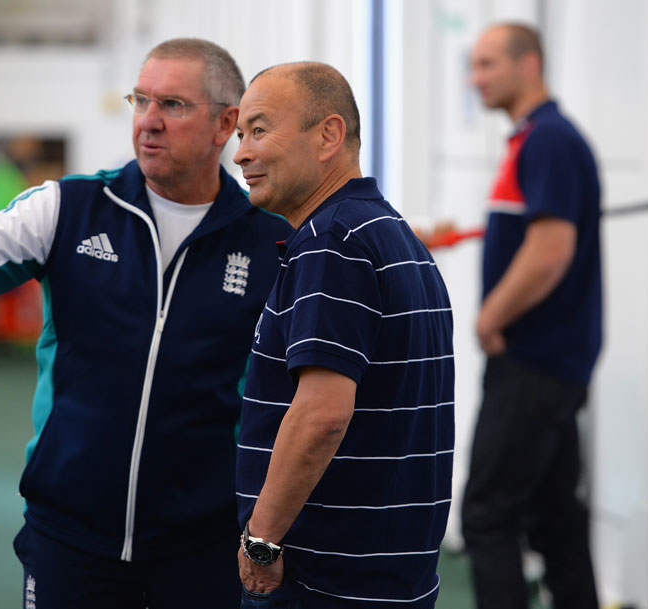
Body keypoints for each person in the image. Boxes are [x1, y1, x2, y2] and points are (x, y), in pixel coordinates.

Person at [0, 38, 290, 609]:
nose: (149, 122)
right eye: (140, 100)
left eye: (173, 105)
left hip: (205, 542)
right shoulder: (69, 207)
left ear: (225, 123)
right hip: (70, 534)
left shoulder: (268, 240)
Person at [233, 62, 455, 608]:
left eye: (259, 130)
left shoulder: (331, 242)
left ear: (329, 135)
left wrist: (261, 540)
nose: (240, 153)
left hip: (325, 581)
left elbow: (322, 414)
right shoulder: (392, 235)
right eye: (240, 135)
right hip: (390, 576)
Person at [459, 23, 602, 609]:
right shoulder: (532, 140)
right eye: (474, 65)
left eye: (490, 64)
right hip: (550, 364)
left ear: (530, 65)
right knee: (555, 520)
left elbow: (550, 250)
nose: (476, 78)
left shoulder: (548, 140)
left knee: (488, 517)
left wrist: (489, 318)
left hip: (533, 363)